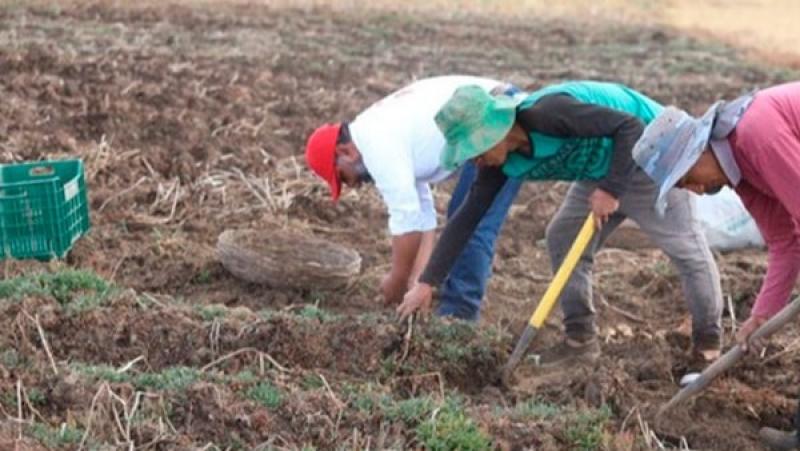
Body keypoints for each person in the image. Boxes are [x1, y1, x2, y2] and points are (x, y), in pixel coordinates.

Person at [398, 80, 724, 366]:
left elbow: (630, 127)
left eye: (474, 150)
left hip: (654, 155)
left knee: (684, 247)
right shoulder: (496, 165)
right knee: (563, 236)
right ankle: (580, 340)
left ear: (493, 131)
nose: (473, 160)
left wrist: (611, 189)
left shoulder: (548, 112)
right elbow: (466, 218)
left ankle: (708, 348)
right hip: (600, 166)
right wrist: (427, 283)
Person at [631, 82, 800, 451]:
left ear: (698, 152)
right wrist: (760, 317)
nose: (692, 190)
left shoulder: (757, 135)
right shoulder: (742, 170)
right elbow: (786, 243)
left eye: (686, 179)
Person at [305, 76, 524, 321]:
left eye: (343, 177)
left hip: (493, 116)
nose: (353, 185)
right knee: (463, 218)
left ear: (345, 152)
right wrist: (418, 283)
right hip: (492, 109)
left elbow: (407, 222)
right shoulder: (380, 135)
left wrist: (397, 281)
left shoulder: (377, 145)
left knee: (471, 225)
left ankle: (459, 320)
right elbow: (422, 218)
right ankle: (450, 313)